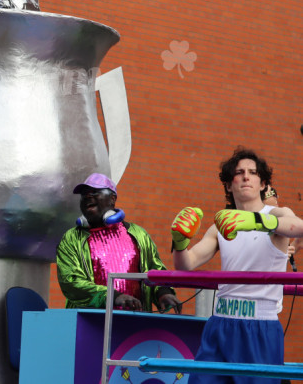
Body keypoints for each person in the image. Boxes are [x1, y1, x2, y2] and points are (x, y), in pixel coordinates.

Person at [171, 148, 303, 384]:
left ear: (263, 184)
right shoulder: (220, 225)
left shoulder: (276, 214)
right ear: (229, 185)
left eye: (253, 172)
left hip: (259, 327)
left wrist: (257, 221)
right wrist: (179, 243)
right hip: (220, 323)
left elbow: (298, 226)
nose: (246, 177)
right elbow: (186, 264)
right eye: (239, 172)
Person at [56, 173, 181, 312]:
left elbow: (154, 270)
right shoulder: (71, 238)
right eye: (84, 194)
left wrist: (163, 292)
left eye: (95, 192)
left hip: (135, 321)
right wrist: (113, 296)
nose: (88, 196)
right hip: (89, 321)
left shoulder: (138, 234)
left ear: (112, 199)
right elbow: (71, 282)